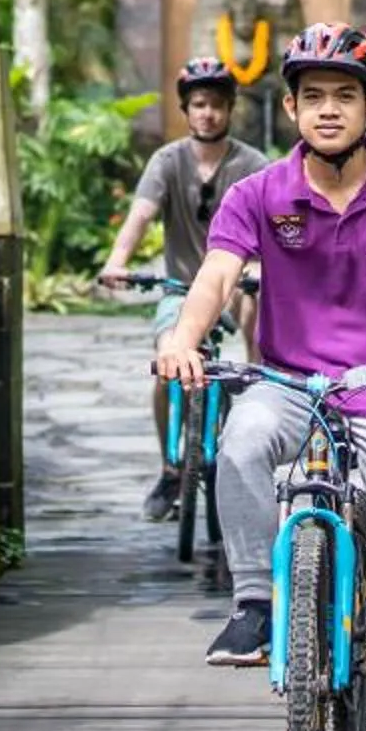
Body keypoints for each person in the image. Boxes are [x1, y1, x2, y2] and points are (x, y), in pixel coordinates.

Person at [155, 23, 366, 721]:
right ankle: (254, 603)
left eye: (345, 96)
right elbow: (216, 277)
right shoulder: (258, 194)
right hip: (290, 384)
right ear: (291, 108)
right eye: (314, 96)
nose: (329, 109)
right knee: (240, 442)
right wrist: (183, 340)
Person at [100, 54, 272, 521]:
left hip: (236, 283)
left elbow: (270, 225)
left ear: (230, 108)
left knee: (257, 309)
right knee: (167, 364)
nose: (208, 113)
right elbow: (140, 214)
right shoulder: (167, 161)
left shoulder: (252, 164)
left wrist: (258, 270)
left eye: (216, 104)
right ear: (186, 109)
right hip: (180, 287)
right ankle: (170, 468)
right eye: (199, 104)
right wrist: (117, 261)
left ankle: (257, 395)